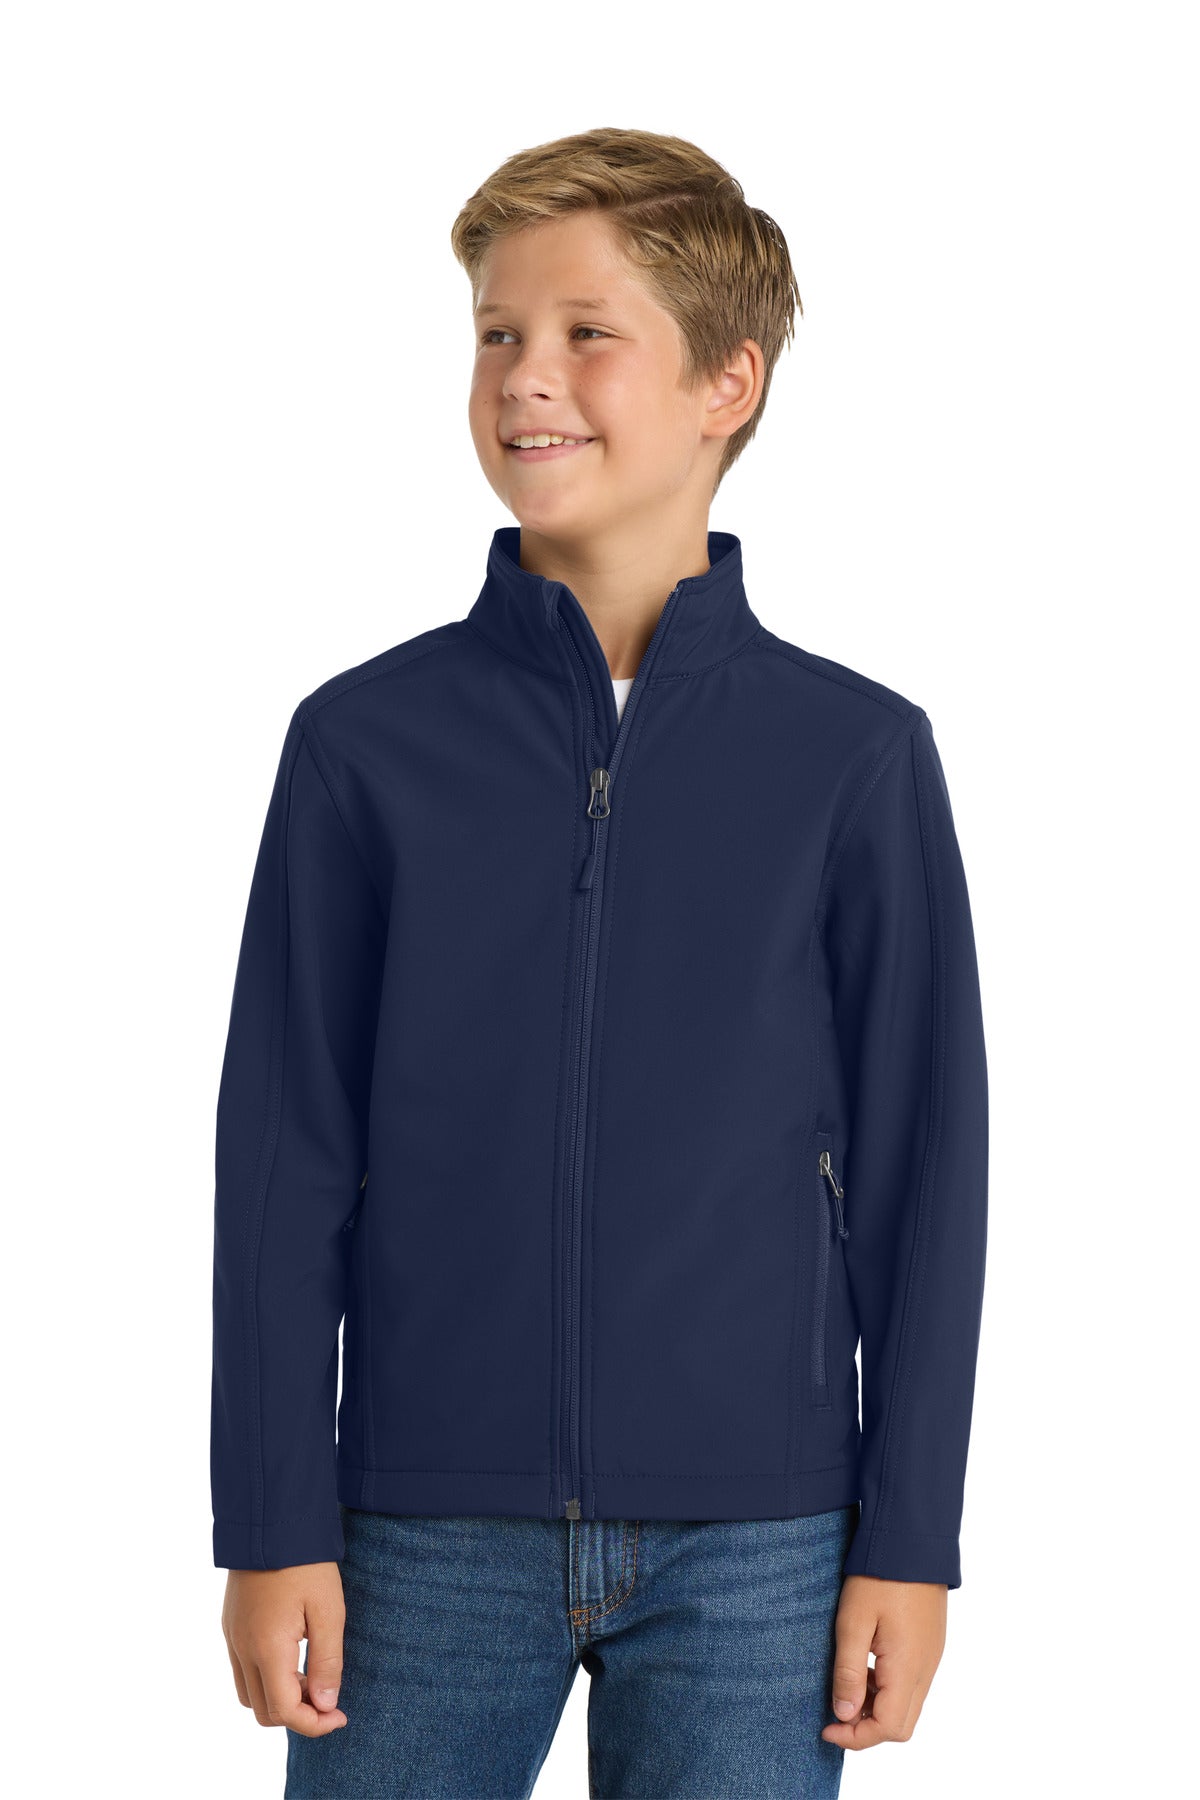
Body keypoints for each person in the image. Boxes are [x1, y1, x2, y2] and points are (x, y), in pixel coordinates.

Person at [212, 126, 989, 1799]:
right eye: (497, 331)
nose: (524, 375)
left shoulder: (853, 758)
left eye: (584, 332)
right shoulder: (364, 745)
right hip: (419, 1528)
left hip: (761, 1544)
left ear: (727, 382)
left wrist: (910, 1537)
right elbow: (283, 1164)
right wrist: (271, 1518)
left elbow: (928, 1176)